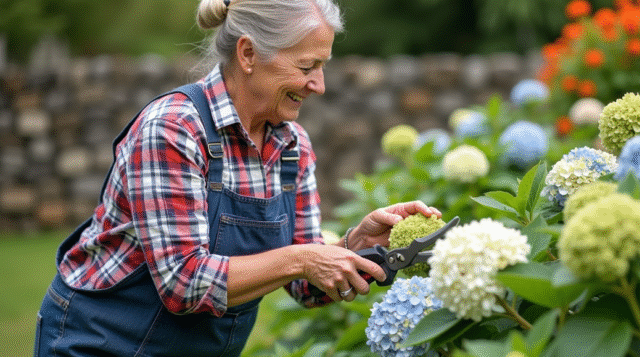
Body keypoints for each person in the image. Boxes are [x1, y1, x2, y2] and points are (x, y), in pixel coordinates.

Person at [34, 0, 442, 356]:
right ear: (248, 53)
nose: (319, 85)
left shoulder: (291, 143)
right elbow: (184, 283)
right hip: (102, 343)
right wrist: (303, 258)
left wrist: (356, 244)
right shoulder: (173, 129)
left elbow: (305, 285)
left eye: (322, 66)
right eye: (306, 66)